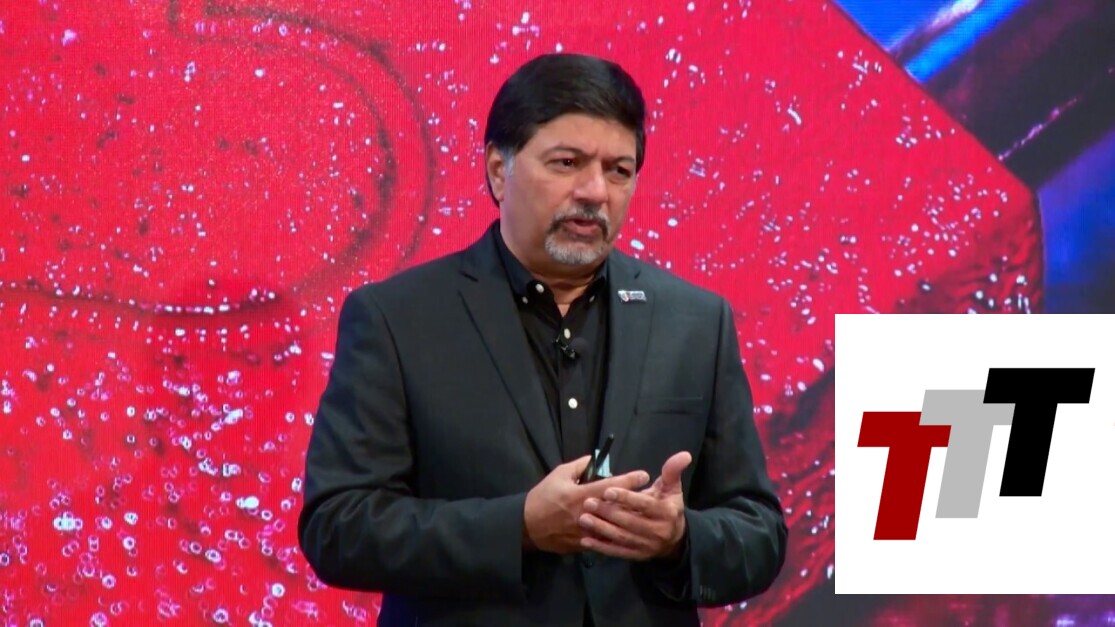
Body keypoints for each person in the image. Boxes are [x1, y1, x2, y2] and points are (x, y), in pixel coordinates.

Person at [298, 52, 787, 627]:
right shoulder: (396, 318)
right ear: (498, 171)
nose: (595, 191)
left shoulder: (696, 322)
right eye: (567, 163)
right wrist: (519, 527)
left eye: (619, 170)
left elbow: (759, 533)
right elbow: (339, 527)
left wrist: (680, 537)